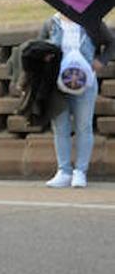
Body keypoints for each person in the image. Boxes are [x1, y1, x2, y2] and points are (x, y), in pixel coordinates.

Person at [40, 14, 107, 188]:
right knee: (60, 127)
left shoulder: (93, 22)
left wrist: (102, 60)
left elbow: (111, 43)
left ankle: (80, 171)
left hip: (85, 83)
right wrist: (45, 57)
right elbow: (39, 47)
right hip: (57, 85)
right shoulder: (51, 23)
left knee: (83, 126)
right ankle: (64, 171)